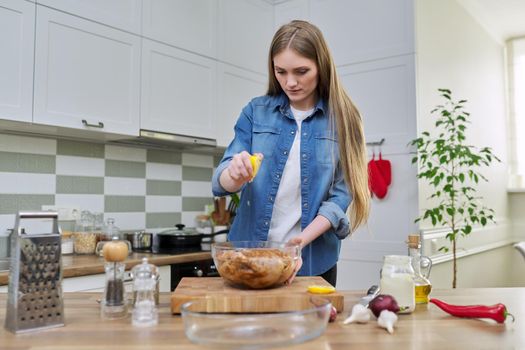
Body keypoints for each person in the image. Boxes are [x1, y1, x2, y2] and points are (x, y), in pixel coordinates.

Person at [212, 20, 370, 287]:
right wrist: (235, 175)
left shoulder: (344, 119)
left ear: (322, 66)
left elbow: (341, 195)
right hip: (249, 258)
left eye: (301, 71)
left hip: (311, 259)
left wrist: (300, 242)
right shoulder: (256, 111)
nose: (290, 82)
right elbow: (220, 182)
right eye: (280, 72)